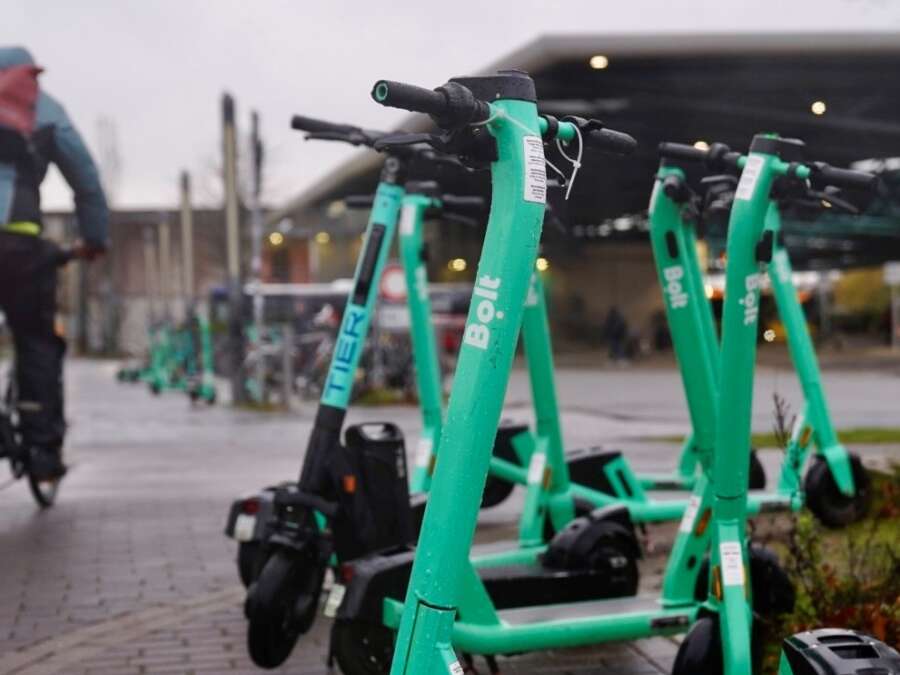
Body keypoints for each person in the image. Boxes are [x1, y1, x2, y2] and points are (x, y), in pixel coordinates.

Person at [0, 46, 108, 480]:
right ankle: (44, 453)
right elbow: (86, 178)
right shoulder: (45, 109)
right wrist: (94, 238)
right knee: (37, 342)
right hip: (21, 247)